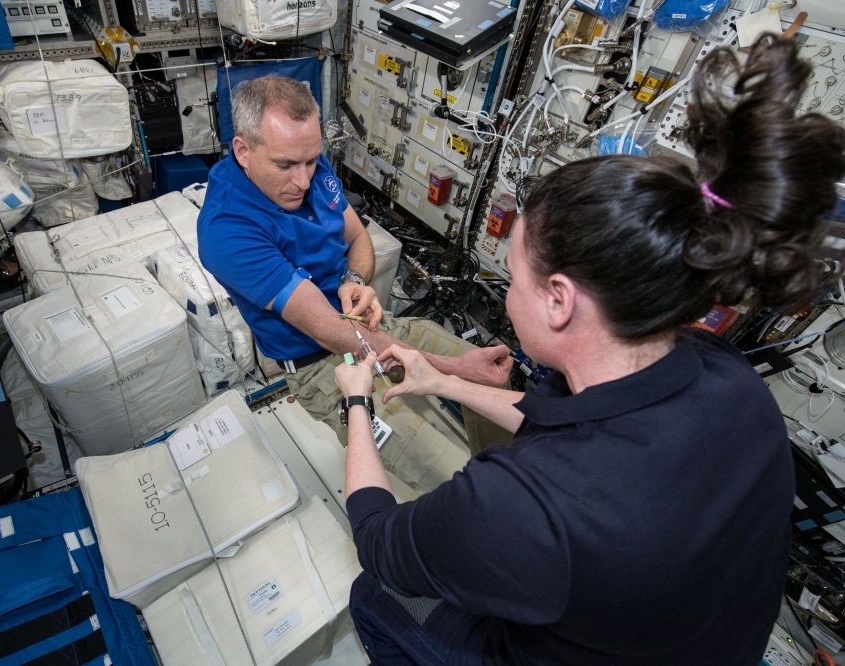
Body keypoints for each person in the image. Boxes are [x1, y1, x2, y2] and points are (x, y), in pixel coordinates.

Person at [333, 36, 845, 665]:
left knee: (373, 594)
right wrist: (443, 382)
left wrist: (358, 403)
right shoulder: (730, 379)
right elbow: (573, 420)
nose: (507, 289)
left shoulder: (522, 508)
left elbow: (380, 540)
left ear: (559, 299)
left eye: (514, 274)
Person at [197, 75, 512, 494]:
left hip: (370, 330)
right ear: (243, 151)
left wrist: (354, 279)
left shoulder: (305, 162)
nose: (304, 180)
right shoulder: (228, 231)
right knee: (462, 482)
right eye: (286, 165)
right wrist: (451, 371)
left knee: (494, 376)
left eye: (312, 161)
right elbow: (333, 332)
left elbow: (358, 238)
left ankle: (512, 475)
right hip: (323, 365)